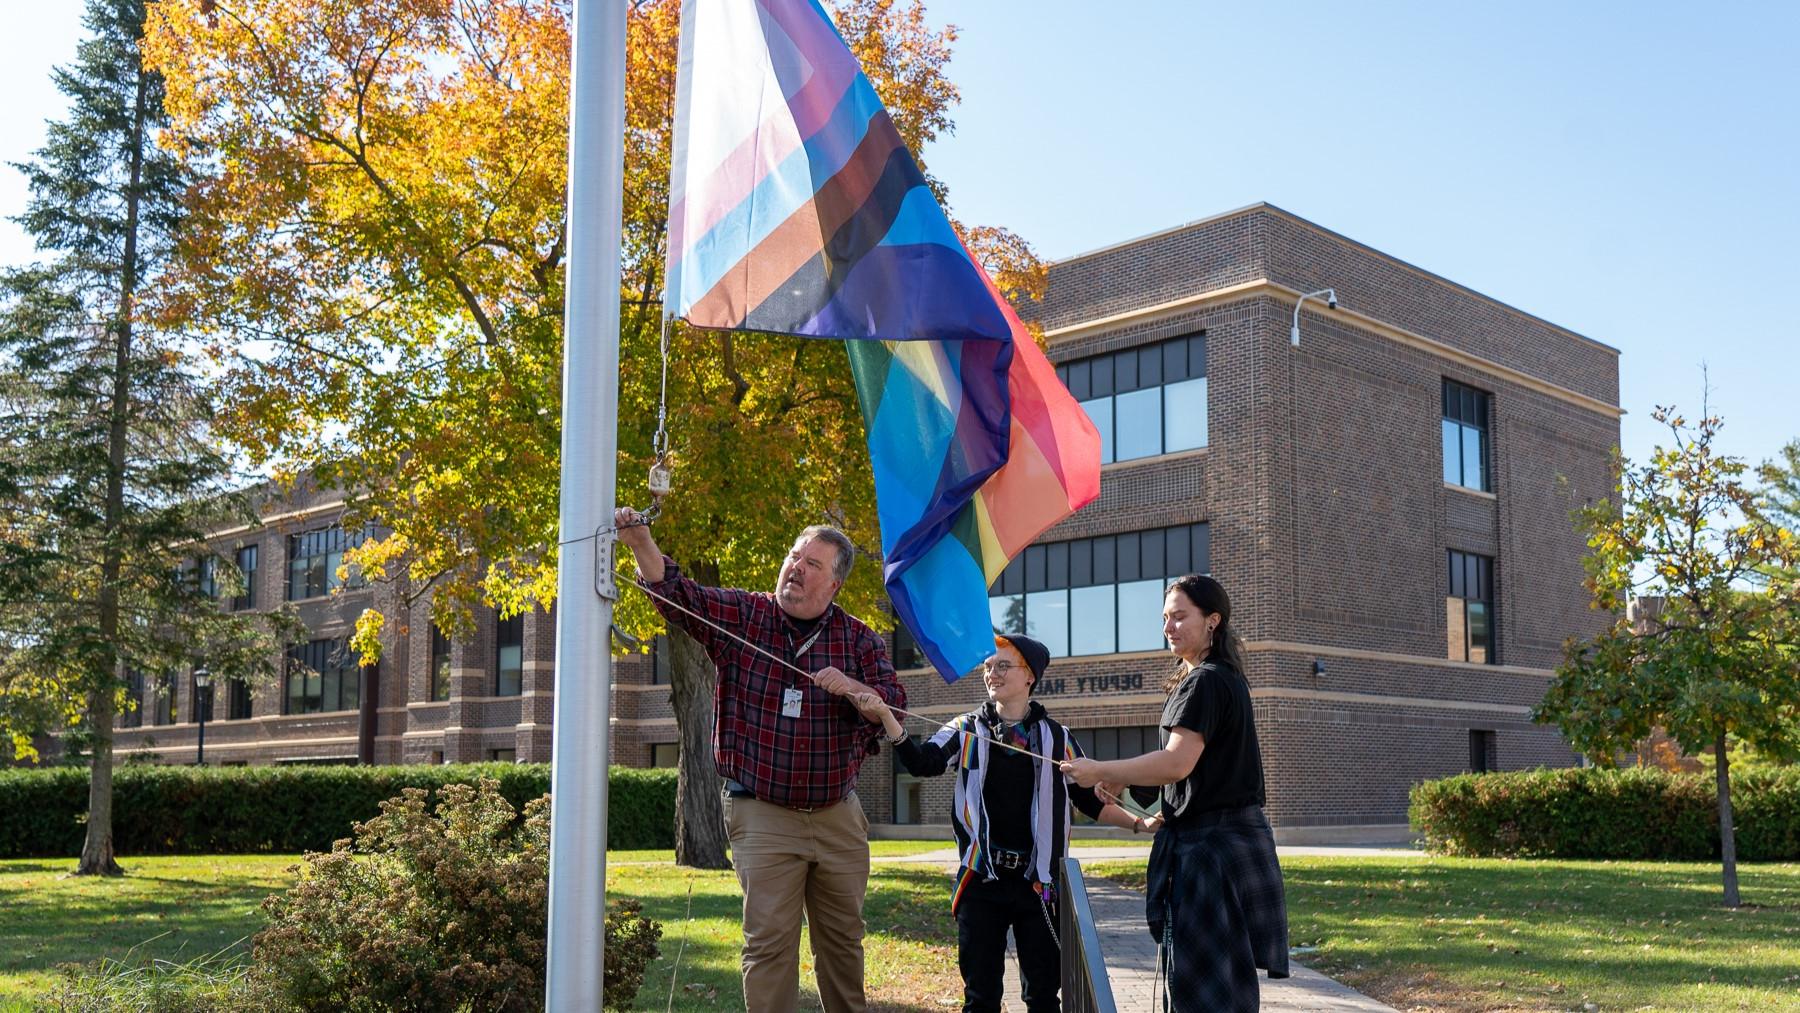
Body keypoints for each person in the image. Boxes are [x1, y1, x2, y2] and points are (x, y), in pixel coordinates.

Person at [615, 507, 906, 1013]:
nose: (796, 567)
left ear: (834, 584)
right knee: (768, 946)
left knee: (842, 947)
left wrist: (858, 690)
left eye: (812, 564)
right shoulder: (746, 615)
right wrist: (642, 543)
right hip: (763, 812)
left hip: (838, 815)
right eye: (794, 556)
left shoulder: (858, 639)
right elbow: (682, 598)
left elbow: (895, 704)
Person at [853, 634, 1146, 1013]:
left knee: (1043, 997)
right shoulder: (964, 728)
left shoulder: (1058, 738)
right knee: (981, 999)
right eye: (988, 667)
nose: (992, 673)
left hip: (1039, 885)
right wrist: (888, 718)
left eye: (1003, 665)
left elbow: (1090, 802)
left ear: (1030, 677)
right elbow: (922, 762)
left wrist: (1141, 825)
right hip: (981, 882)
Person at [1059, 574, 1288, 1013]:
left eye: (1181, 616)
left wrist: (1102, 769)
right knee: (1225, 985)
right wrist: (1128, 779)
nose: (1169, 626)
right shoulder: (1223, 679)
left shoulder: (1205, 681)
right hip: (1227, 845)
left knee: (1204, 994)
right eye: (1165, 618)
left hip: (1213, 851)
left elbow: (1178, 761)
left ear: (1213, 621)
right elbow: (1191, 764)